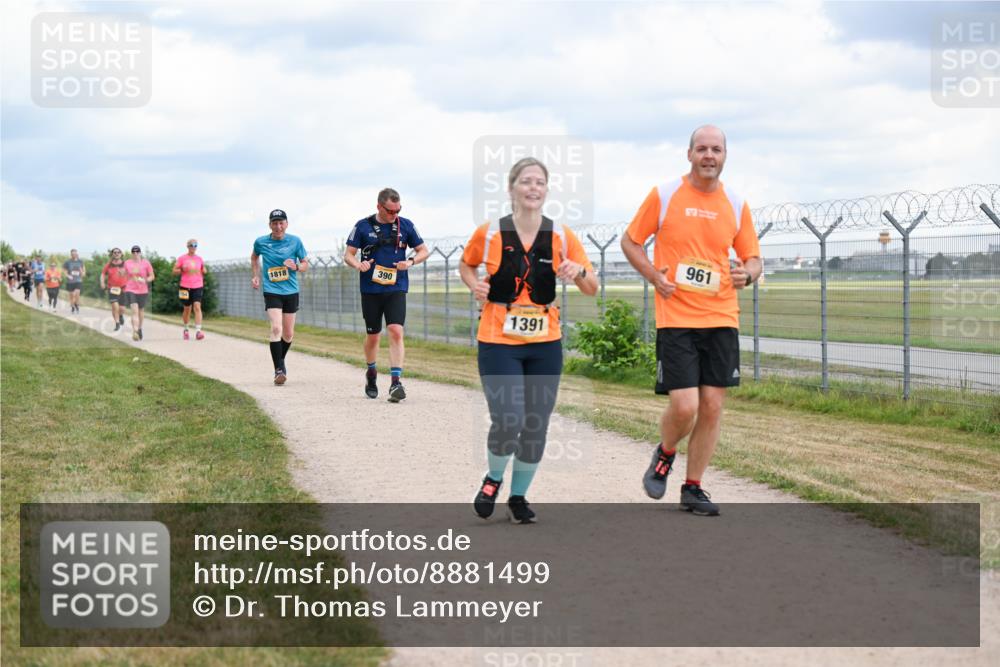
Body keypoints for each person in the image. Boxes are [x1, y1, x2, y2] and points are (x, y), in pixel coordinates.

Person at [621, 125, 762, 517]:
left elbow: (753, 257)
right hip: (676, 316)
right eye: (702, 148)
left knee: (713, 406)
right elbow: (630, 241)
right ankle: (665, 454)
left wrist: (746, 275)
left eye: (716, 149)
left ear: (725, 156)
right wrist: (654, 276)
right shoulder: (665, 195)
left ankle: (693, 487)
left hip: (721, 315)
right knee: (685, 407)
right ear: (689, 154)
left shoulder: (735, 202)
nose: (709, 156)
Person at [459, 157, 598, 524]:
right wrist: (475, 285)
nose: (533, 188)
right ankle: (493, 479)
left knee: (536, 423)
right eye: (525, 181)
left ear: (546, 190)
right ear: (511, 189)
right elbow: (466, 264)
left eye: (539, 182)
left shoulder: (561, 236)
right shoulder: (489, 233)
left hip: (544, 342)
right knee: (508, 419)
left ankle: (518, 498)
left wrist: (578, 271)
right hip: (497, 338)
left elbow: (591, 287)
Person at [344, 188, 430, 402]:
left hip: (396, 287)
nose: (395, 214)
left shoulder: (406, 225)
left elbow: (423, 251)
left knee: (396, 331)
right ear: (379, 206)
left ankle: (395, 382)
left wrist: (410, 262)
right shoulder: (362, 226)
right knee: (373, 336)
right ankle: (371, 373)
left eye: (398, 210)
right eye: (390, 211)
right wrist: (359, 265)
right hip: (371, 289)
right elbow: (348, 255)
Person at [251, 209, 308, 385]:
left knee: (289, 334)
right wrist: (256, 275)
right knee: (276, 329)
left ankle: (280, 361)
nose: (278, 226)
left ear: (286, 224)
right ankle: (279, 370)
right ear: (270, 225)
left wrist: (296, 267)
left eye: (281, 222)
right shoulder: (261, 242)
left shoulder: (295, 241)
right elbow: (254, 258)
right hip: (271, 290)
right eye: (275, 223)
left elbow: (305, 263)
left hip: (291, 291)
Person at [172, 239, 208, 340]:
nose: (193, 247)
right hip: (184, 286)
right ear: (187, 246)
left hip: (198, 285)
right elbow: (174, 271)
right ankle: (186, 329)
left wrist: (204, 270)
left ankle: (198, 331)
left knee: (197, 306)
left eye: (195, 245)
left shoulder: (199, 259)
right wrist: (181, 269)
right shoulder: (182, 258)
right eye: (191, 245)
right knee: (187, 309)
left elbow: (203, 269)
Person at [123, 245, 155, 341]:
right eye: (133, 252)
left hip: (142, 290)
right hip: (130, 289)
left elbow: (152, 276)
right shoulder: (127, 263)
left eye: (137, 251)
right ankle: (135, 331)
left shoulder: (146, 263)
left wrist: (145, 280)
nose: (135, 253)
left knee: (141, 311)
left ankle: (139, 328)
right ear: (131, 253)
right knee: (134, 310)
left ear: (140, 252)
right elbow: (123, 275)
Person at [100, 248, 129, 331]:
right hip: (112, 288)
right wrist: (102, 283)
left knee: (122, 308)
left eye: (118, 252)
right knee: (114, 306)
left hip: (123, 288)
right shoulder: (108, 265)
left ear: (121, 254)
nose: (116, 254)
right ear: (112, 254)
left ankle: (120, 316)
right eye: (114, 252)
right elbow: (102, 274)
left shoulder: (125, 264)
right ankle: (117, 323)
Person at [63, 249, 86, 314]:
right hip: (70, 282)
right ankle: (73, 307)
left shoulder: (80, 261)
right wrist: (67, 275)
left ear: (76, 254)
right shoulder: (67, 262)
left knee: (76, 294)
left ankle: (77, 306)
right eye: (73, 254)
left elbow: (84, 271)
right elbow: (64, 270)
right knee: (72, 296)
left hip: (78, 280)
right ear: (71, 255)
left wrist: (82, 272)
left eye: (75, 254)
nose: (74, 255)